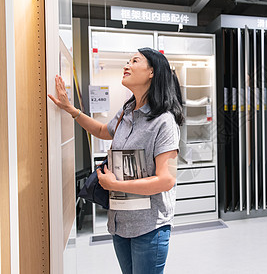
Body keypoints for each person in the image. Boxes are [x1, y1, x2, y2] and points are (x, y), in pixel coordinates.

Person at [48, 47, 183, 274]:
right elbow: (103, 130)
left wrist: (115, 185)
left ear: (152, 72)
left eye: (134, 61)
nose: (126, 65)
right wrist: (71, 110)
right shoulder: (126, 111)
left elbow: (166, 180)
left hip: (149, 227)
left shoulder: (164, 121)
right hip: (120, 221)